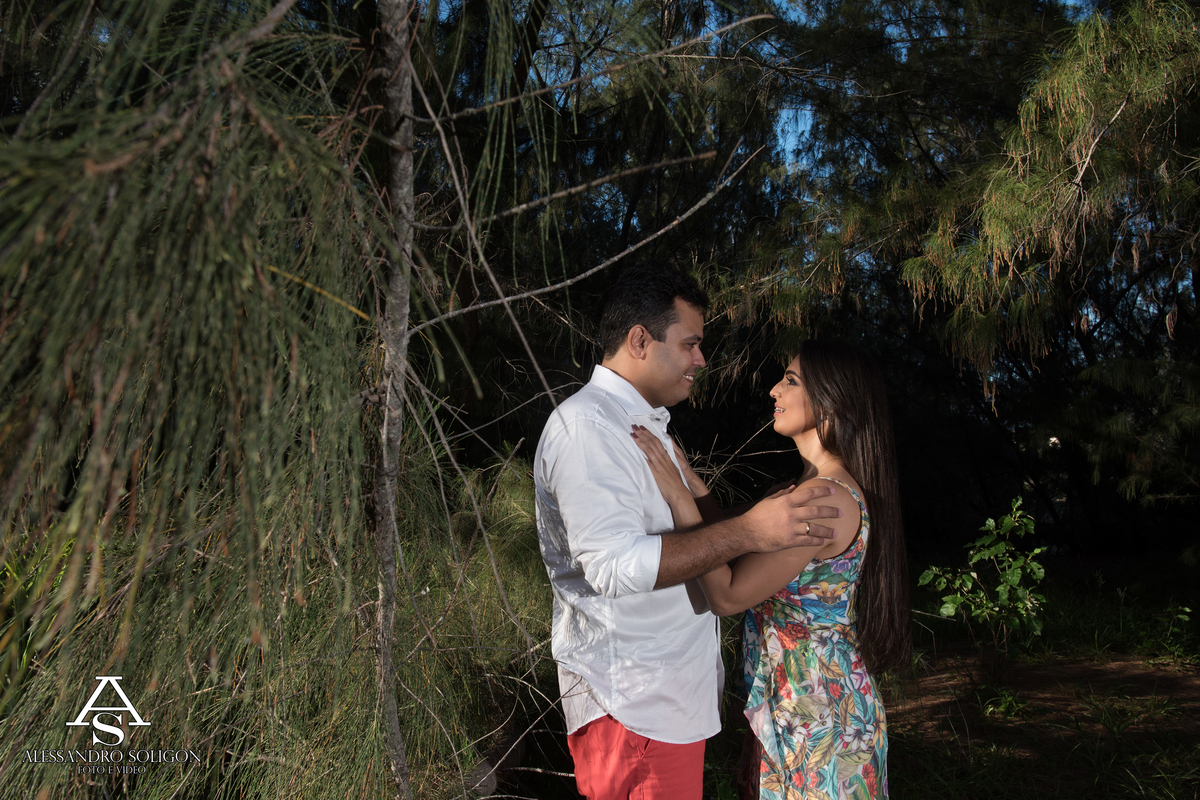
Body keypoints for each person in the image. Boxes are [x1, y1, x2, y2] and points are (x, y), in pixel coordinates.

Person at [534, 265, 845, 800]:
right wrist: (748, 531)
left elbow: (690, 540)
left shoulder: (638, 423)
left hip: (662, 705)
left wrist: (728, 510)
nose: (701, 359)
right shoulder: (588, 427)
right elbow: (611, 566)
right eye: (690, 344)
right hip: (632, 705)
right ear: (640, 340)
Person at [631, 339, 910, 800]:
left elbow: (727, 594)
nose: (774, 390)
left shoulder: (823, 500)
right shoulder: (806, 489)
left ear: (832, 402)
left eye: (791, 381)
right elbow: (738, 547)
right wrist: (695, 486)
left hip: (819, 720)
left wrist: (679, 499)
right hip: (798, 706)